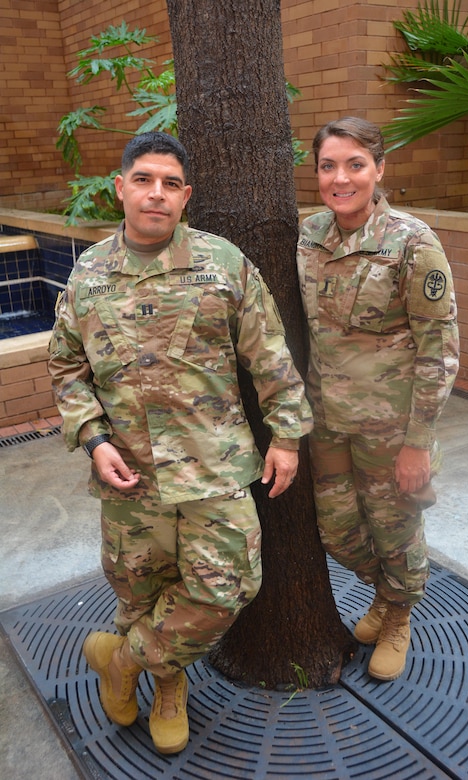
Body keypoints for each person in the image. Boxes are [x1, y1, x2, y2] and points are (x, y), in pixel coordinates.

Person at [48, 131, 313, 753]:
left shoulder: (223, 264)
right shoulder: (87, 276)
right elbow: (65, 367)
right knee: (139, 586)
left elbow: (271, 354)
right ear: (121, 187)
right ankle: (170, 686)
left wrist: (288, 437)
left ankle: (124, 663)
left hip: (214, 467)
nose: (156, 194)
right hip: (129, 474)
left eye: (170, 183)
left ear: (186, 195)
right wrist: (92, 438)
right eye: (143, 179)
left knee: (228, 586)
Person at [296, 117, 459, 681]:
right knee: (337, 530)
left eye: (355, 164)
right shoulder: (308, 236)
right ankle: (388, 594)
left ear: (379, 169)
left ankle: (398, 615)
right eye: (328, 166)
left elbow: (439, 349)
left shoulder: (413, 242)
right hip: (326, 423)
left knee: (395, 528)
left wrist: (418, 444)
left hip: (390, 430)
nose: (341, 178)